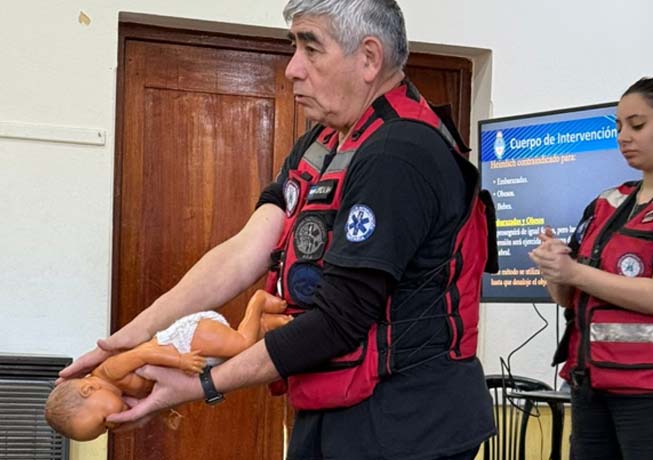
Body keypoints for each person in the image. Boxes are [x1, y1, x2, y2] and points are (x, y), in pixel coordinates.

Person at [58, 1, 496, 459]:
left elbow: (338, 323)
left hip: (407, 424)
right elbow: (245, 250)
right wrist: (132, 336)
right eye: (294, 46)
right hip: (338, 407)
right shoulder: (322, 142)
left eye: (311, 48)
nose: (292, 69)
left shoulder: (399, 152)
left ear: (369, 58)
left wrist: (201, 384)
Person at [529, 77, 653, 460]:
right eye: (619, 126)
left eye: (637, 125)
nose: (624, 136)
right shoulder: (607, 202)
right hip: (593, 385)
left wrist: (573, 272)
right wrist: (554, 267)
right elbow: (568, 297)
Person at [46, 290, 291, 441]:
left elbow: (146, 353)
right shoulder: (123, 392)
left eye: (102, 419)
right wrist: (166, 412)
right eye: (106, 430)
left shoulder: (111, 371)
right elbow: (157, 391)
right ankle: (266, 324)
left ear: (88, 389)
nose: (112, 421)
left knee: (241, 345)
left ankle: (257, 302)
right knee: (240, 357)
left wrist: (180, 360)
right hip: (196, 357)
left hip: (188, 341)